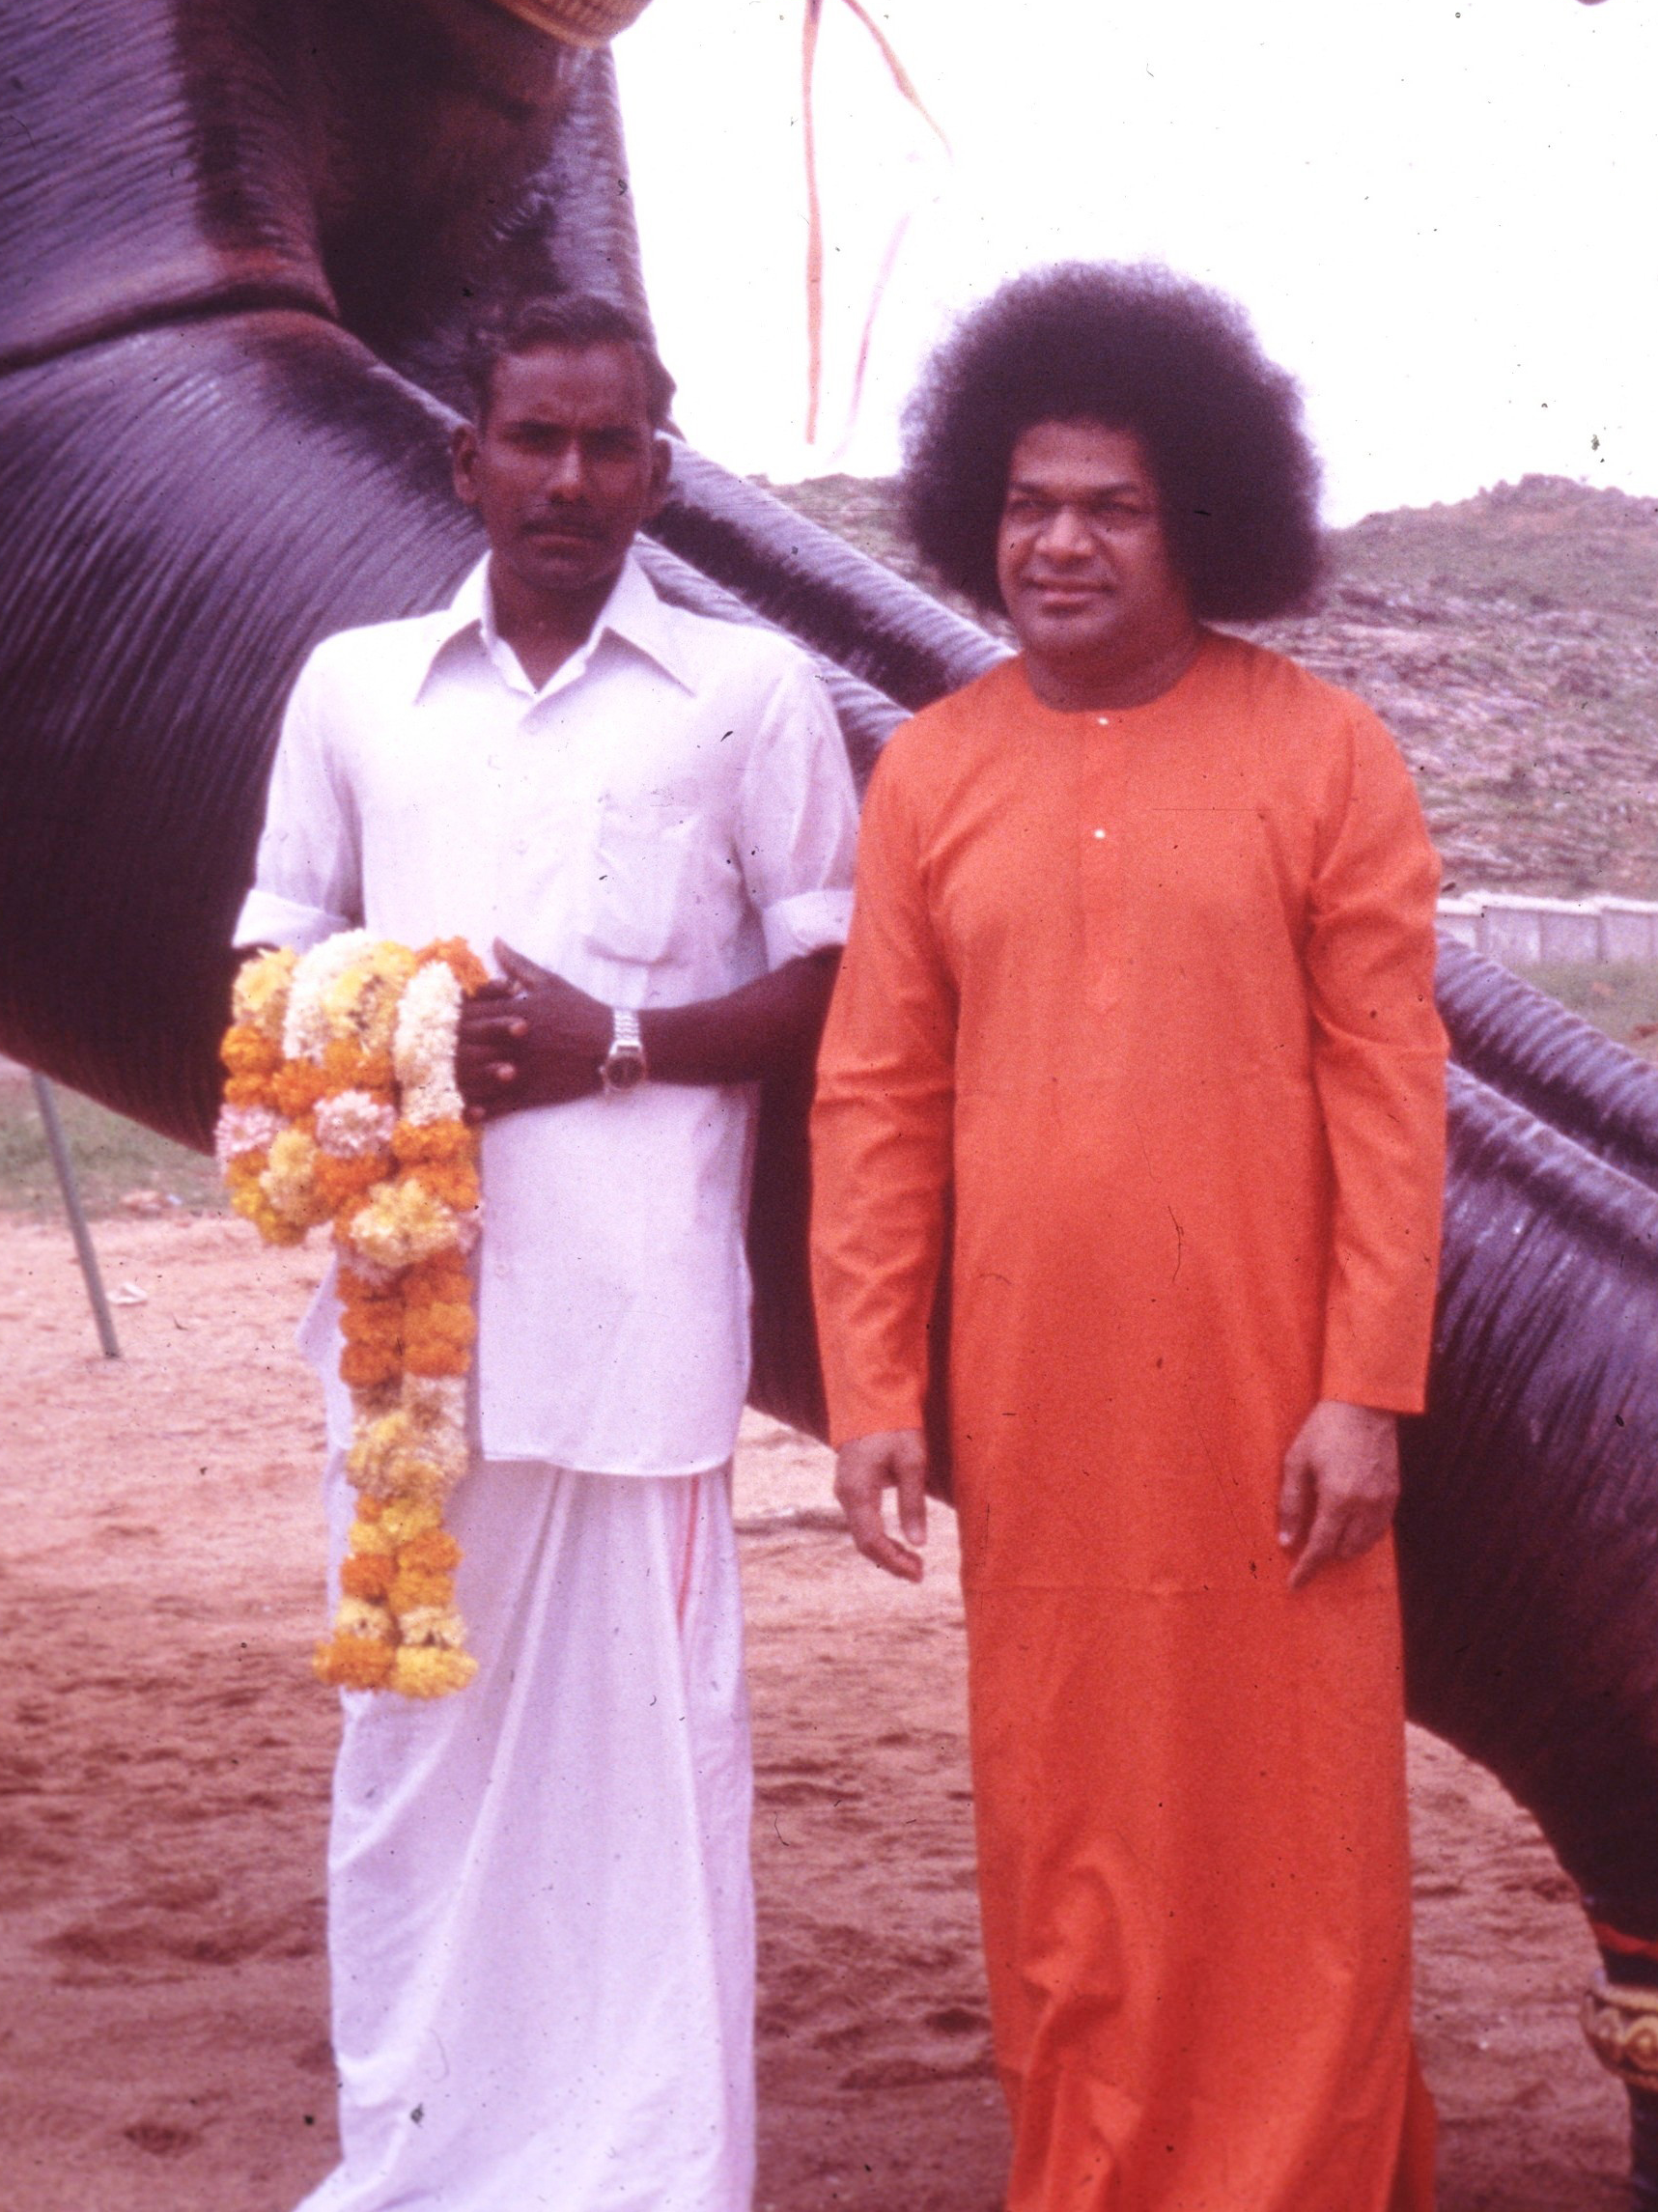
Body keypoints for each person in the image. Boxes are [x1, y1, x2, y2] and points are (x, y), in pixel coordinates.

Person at [809, 263, 1448, 2212]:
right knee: (1073, 1826)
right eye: (1029, 504)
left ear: (1202, 525)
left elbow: (1390, 1092)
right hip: (1039, 1405)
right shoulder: (934, 768)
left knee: (1293, 1835)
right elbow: (874, 1098)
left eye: (1113, 507)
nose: (1060, 544)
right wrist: (872, 1387)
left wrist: (1365, 1388)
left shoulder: (1324, 752)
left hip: (1273, 1407)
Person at [234, 289, 858, 2212]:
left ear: (660, 474)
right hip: (408, 1331)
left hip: (633, 1333)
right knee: (408, 1759)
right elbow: (270, 962)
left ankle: (645, 2176)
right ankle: (420, 2169)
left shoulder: (748, 693)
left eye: (608, 446)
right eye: (535, 440)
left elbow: (837, 982)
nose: (569, 478)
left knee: (647, 1772)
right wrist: (408, 1033)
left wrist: (621, 1043)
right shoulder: (352, 687)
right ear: (467, 460)